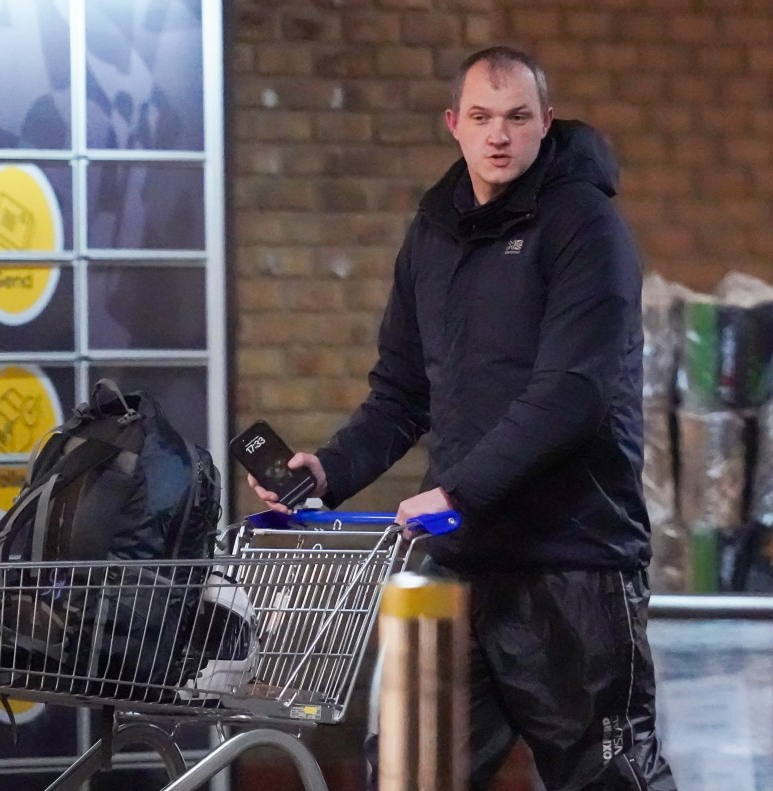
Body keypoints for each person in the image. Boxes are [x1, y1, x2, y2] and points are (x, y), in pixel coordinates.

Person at [247, 45, 677, 791]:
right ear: (454, 124)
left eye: (517, 117)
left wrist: (455, 491)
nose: (498, 135)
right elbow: (401, 391)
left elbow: (572, 394)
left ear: (546, 123)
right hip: (460, 565)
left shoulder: (586, 228)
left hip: (573, 567)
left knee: (609, 777)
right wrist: (331, 469)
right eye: (481, 117)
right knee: (413, 773)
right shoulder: (433, 234)